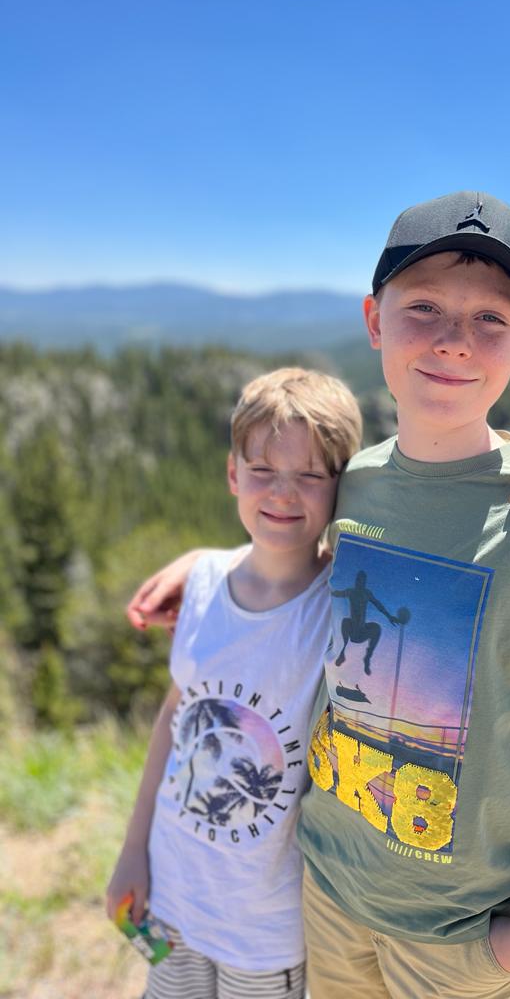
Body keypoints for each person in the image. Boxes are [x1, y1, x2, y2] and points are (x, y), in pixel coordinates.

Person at [127, 191, 510, 999]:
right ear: (375, 320)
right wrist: (206, 560)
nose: (453, 339)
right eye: (425, 307)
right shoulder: (358, 483)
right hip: (327, 895)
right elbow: (290, 538)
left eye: (491, 320)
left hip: (462, 936)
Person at [106, 367, 363, 999]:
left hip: (268, 931)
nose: (283, 492)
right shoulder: (200, 584)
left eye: (310, 475)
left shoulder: (338, 609)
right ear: (231, 475)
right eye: (262, 471)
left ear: (342, 488)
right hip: (173, 894)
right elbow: (175, 722)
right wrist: (131, 851)